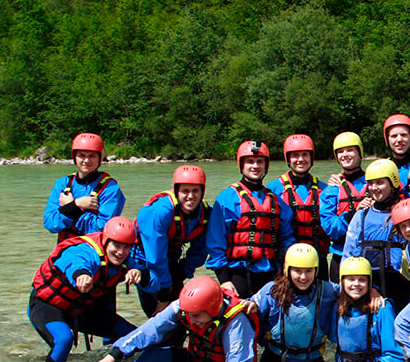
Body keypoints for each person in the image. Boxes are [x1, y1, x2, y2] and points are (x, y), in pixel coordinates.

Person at [79, 276, 259, 362]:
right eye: (187, 314)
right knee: (151, 354)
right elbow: (148, 331)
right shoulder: (182, 307)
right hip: (195, 360)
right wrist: (111, 357)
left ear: (212, 310)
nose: (190, 319)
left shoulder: (236, 323)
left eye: (196, 316)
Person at [29, 216, 143, 362]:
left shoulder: (126, 258)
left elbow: (145, 273)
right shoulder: (85, 251)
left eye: (126, 247)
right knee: (63, 340)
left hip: (81, 309)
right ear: (105, 241)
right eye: (116, 245)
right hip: (47, 305)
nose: (120, 252)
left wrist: (138, 272)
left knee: (135, 338)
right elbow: (74, 262)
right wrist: (81, 275)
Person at [206, 140, 294, 298]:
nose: (255, 166)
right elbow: (215, 242)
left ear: (266, 165)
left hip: (272, 275)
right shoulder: (227, 198)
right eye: (250, 161)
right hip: (238, 275)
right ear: (241, 164)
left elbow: (286, 238)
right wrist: (224, 280)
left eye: (260, 161)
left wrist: (287, 268)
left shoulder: (276, 201)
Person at [250, 243, 339, 362]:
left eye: (308, 271)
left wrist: (372, 292)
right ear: (287, 270)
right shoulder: (272, 292)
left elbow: (353, 289)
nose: (303, 277)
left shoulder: (328, 291)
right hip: (275, 361)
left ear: (316, 270)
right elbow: (247, 311)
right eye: (297, 271)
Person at [134, 165, 210, 316]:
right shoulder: (160, 212)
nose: (190, 196)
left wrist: (183, 271)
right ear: (176, 191)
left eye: (195, 191)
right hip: (145, 259)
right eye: (185, 191)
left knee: (181, 315)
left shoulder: (206, 213)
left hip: (169, 259)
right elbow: (155, 256)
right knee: (157, 314)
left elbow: (200, 250)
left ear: (202, 192)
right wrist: (164, 289)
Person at [342, 158, 410, 310]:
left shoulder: (406, 211)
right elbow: (348, 254)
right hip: (370, 285)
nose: (374, 188)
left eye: (380, 182)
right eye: (371, 183)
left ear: (393, 183)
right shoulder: (361, 215)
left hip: (401, 284)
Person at [333, 257, 404, 362]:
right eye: (350, 279)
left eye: (362, 280)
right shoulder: (337, 306)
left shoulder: (382, 309)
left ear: (369, 283)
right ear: (342, 282)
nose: (356, 284)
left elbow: (395, 355)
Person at [43, 133, 126, 242]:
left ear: (99, 158)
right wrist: (75, 205)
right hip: (65, 248)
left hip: (93, 251)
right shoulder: (62, 184)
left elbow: (101, 228)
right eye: (81, 155)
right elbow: (51, 224)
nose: (86, 160)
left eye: (92, 156)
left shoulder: (110, 189)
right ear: (74, 157)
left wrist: (72, 209)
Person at [270, 134, 331, 281]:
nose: (300, 159)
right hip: (287, 261)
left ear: (311, 158)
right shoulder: (274, 189)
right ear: (288, 159)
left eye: (305, 155)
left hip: (317, 259)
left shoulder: (325, 189)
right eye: (295, 155)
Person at [319, 132, 370, 281]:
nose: (345, 155)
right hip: (341, 256)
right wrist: (354, 213)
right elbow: (331, 229)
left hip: (371, 255)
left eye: (350, 150)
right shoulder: (331, 190)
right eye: (340, 151)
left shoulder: (375, 183)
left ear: (359, 153)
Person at [382, 114, 410, 195]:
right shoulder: (382, 168)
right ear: (387, 140)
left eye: (404, 135)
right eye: (394, 136)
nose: (399, 140)